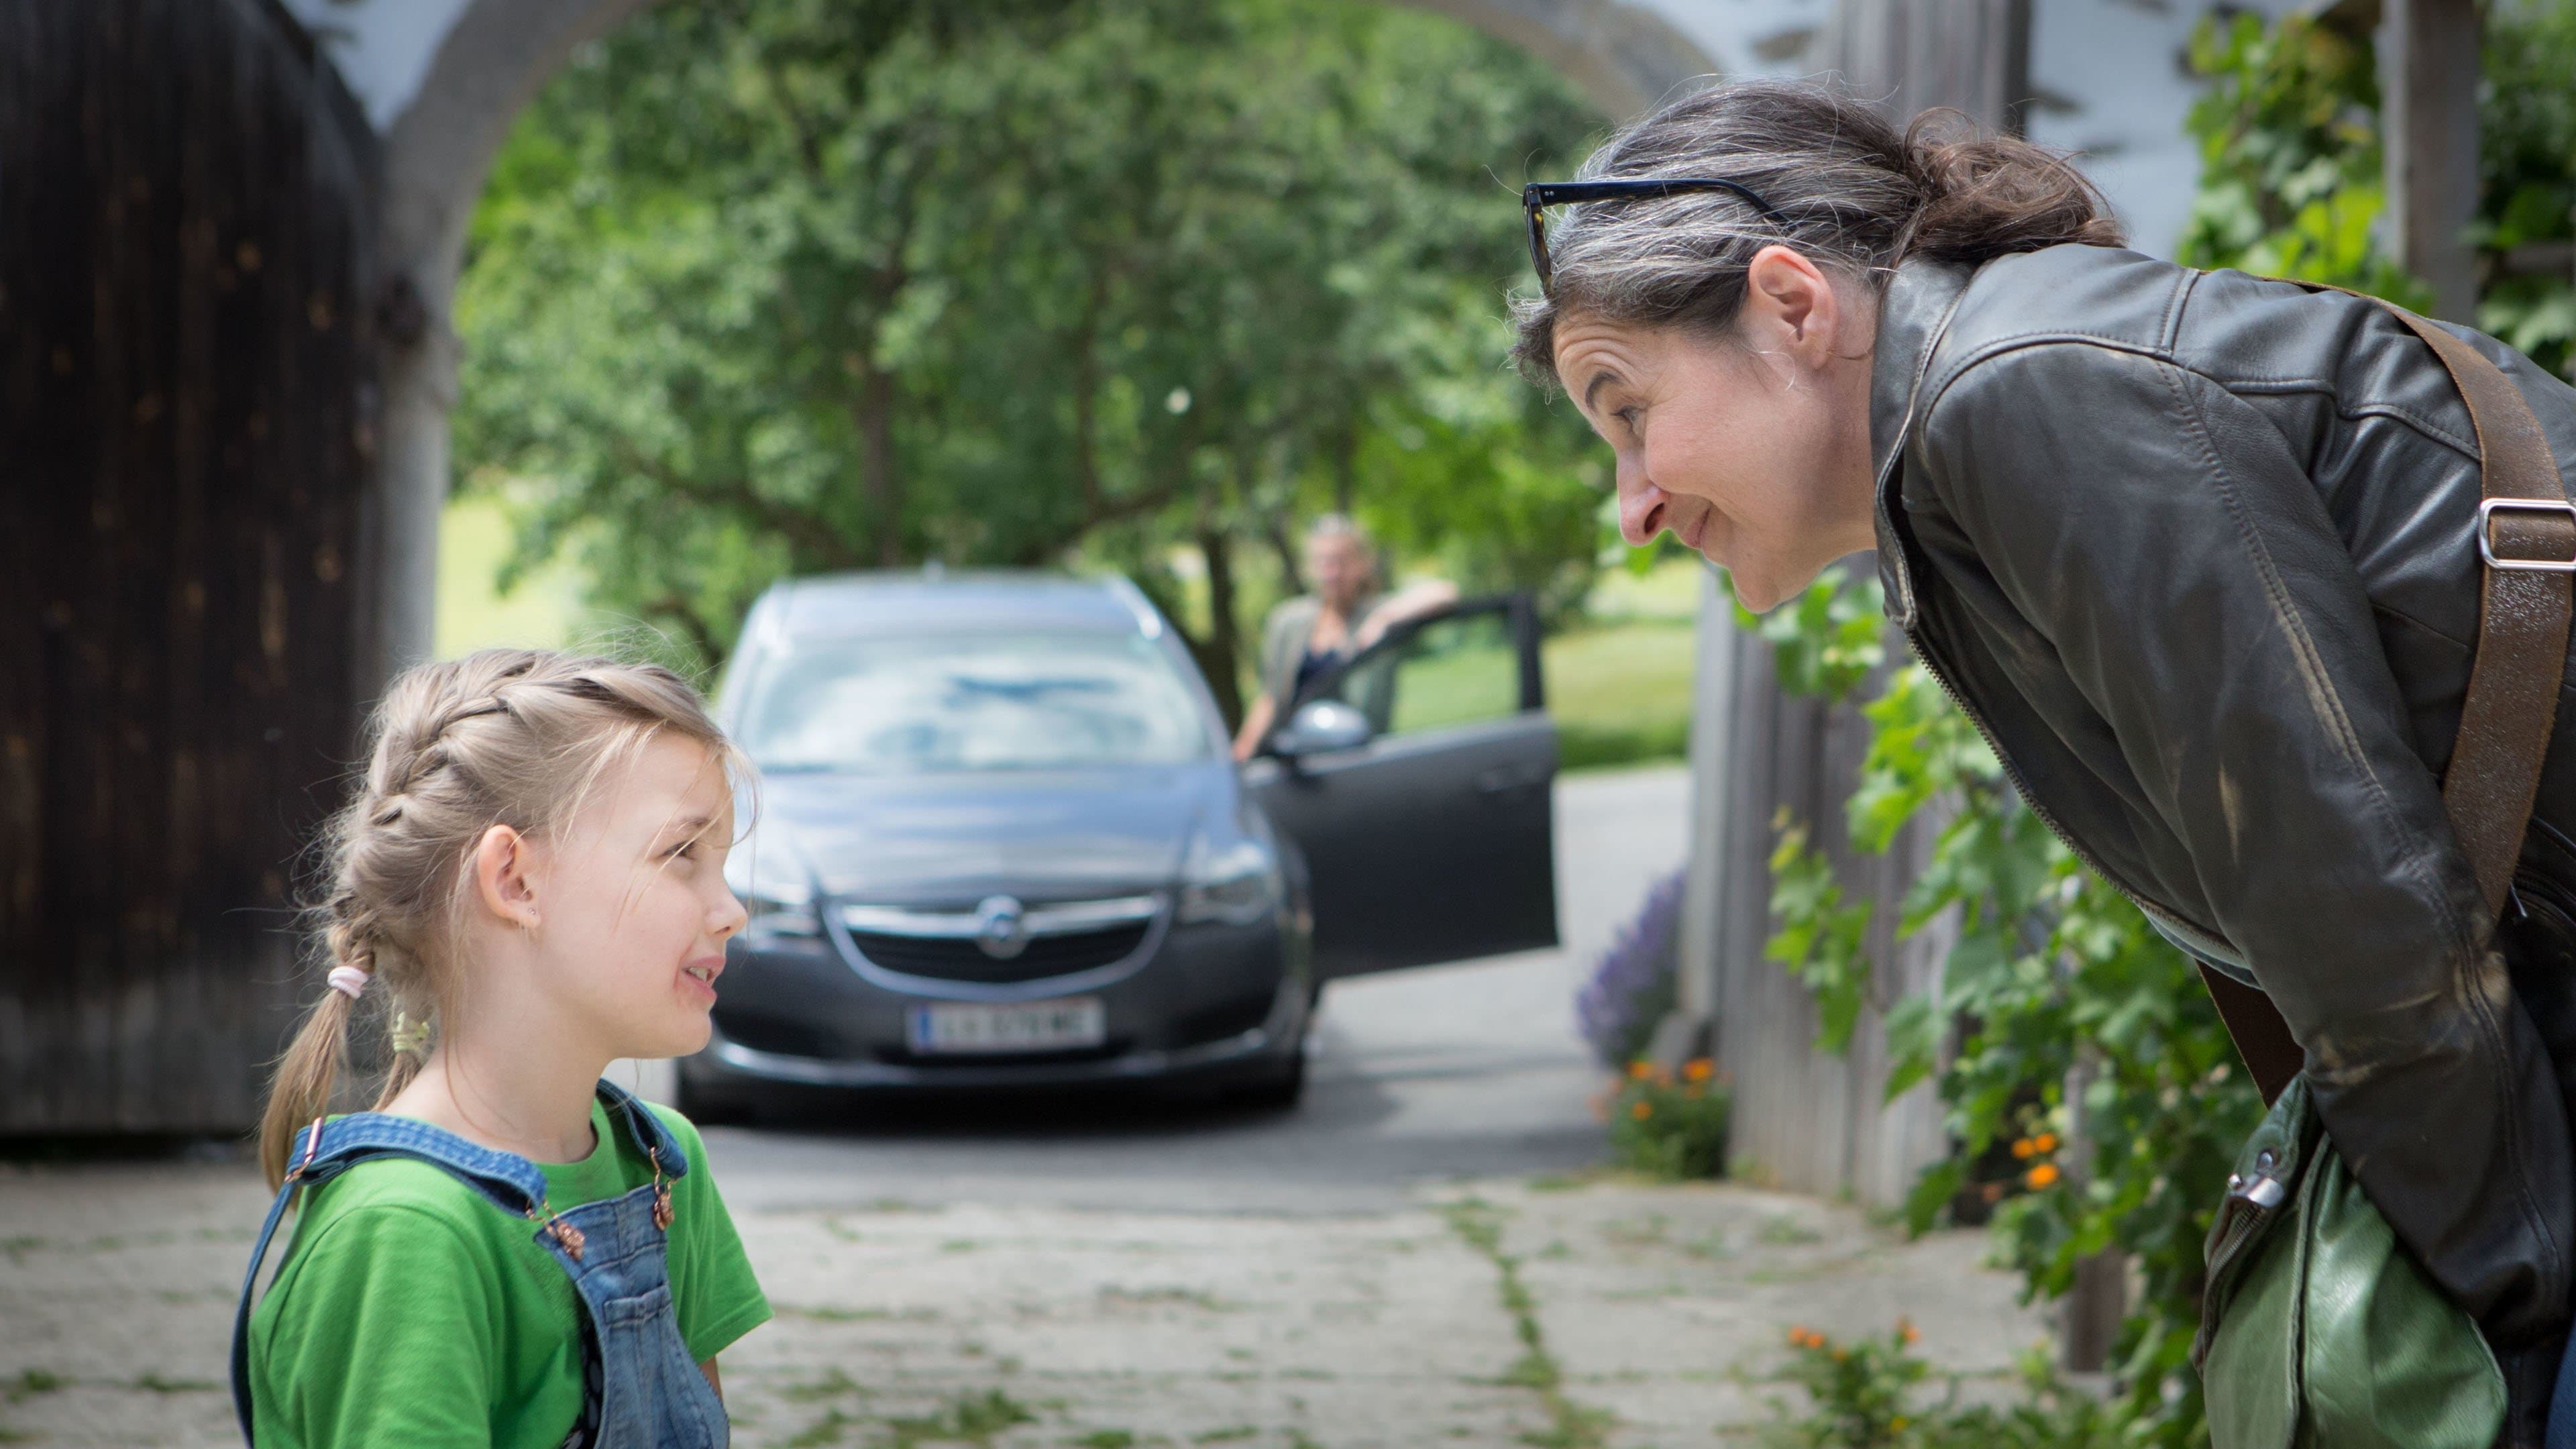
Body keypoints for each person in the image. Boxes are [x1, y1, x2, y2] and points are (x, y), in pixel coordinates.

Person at [1511, 80, 2576, 1445]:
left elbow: (2356, 906)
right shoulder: (1980, 424)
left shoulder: (2021, 390)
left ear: (1792, 305)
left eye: (1626, 409)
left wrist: (2512, 1324)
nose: (1635, 509)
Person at [231, 649, 770, 1448]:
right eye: (680, 854)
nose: (731, 911)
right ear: (515, 879)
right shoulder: (409, 1232)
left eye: (722, 865)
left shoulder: (661, 1162)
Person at [1232, 516, 1456, 760]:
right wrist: (1240, 756)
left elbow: (1446, 592)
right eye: (1322, 562)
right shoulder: (1288, 622)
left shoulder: (1378, 615)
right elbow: (1270, 698)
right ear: (1309, 567)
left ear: (1362, 564)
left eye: (1341, 561)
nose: (1332, 572)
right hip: (1293, 761)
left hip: (1358, 760)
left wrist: (1384, 618)